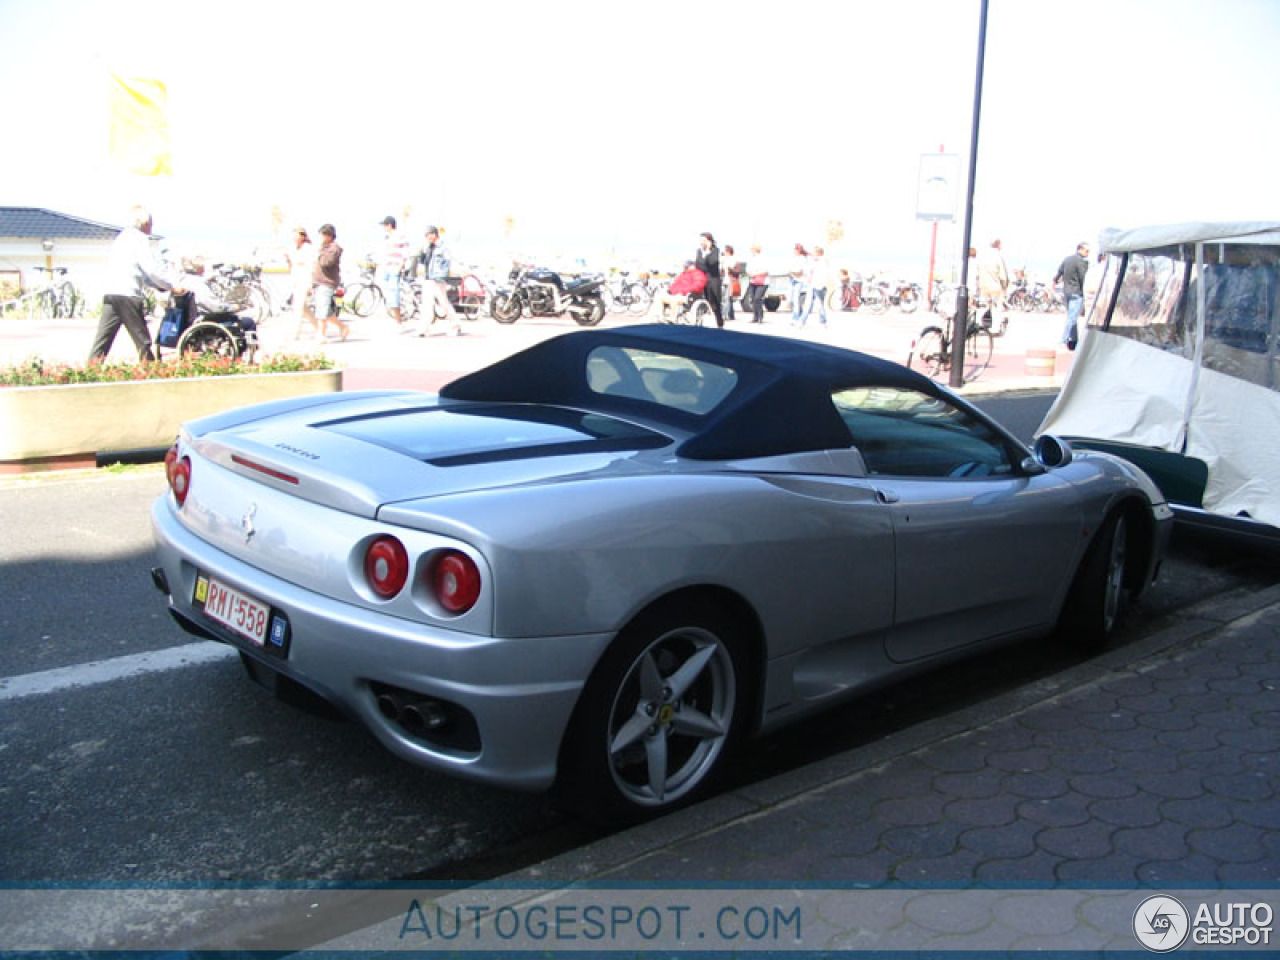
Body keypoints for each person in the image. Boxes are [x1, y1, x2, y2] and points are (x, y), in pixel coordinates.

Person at [88, 206, 174, 363]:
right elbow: (151, 269)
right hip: (128, 294)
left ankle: (91, 369)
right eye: (151, 223)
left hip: (111, 293)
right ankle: (152, 370)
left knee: (103, 339)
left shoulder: (121, 238)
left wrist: (157, 285)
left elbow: (138, 271)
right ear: (145, 223)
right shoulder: (140, 239)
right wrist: (170, 285)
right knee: (142, 339)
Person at [417, 225, 462, 336]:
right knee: (426, 304)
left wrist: (441, 275)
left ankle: (455, 325)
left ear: (434, 234)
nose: (427, 237)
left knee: (443, 303)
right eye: (426, 235)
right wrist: (421, 252)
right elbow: (423, 261)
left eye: (429, 235)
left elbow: (447, 262)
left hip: (438, 279)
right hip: (428, 278)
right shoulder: (428, 247)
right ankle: (424, 329)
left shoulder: (443, 247)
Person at [312, 223, 348, 341]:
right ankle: (342, 327)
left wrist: (320, 252)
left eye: (323, 235)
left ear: (328, 235)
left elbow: (326, 263)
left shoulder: (334, 248)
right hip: (319, 280)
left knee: (322, 309)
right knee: (324, 310)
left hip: (327, 281)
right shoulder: (325, 247)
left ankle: (321, 335)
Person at [1054, 241, 1091, 350]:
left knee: (1072, 317)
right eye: (1087, 251)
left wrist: (1055, 281)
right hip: (1076, 292)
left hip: (1066, 292)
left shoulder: (1067, 259)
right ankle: (1064, 340)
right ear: (1080, 249)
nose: (1088, 253)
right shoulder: (1081, 262)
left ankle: (1074, 341)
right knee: (1072, 318)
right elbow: (1083, 277)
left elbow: (1059, 272)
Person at [378, 215, 411, 324]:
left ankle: (399, 322)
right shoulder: (387, 237)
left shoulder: (399, 236)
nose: (384, 227)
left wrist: (400, 266)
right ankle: (395, 319)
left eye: (385, 225)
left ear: (389, 225)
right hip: (387, 268)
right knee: (389, 295)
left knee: (394, 294)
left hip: (394, 268)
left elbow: (405, 253)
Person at [288, 227, 318, 339]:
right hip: (296, 279)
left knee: (298, 307)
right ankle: (319, 328)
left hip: (305, 280)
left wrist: (310, 283)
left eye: (296, 235)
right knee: (303, 309)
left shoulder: (308, 249)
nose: (294, 238)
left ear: (302, 236)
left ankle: (295, 334)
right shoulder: (294, 249)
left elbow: (311, 267)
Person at [976, 238, 1010, 333]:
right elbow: (1003, 274)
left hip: (983, 286)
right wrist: (1005, 286)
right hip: (995, 286)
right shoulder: (998, 256)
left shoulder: (983, 255)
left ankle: (977, 325)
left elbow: (977, 271)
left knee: (985, 306)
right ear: (998, 245)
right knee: (996, 308)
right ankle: (994, 329)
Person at [797, 245, 830, 328]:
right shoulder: (816, 261)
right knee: (810, 304)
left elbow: (821, 275)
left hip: (819, 286)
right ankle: (803, 321)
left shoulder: (822, 262)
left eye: (814, 252)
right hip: (813, 285)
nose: (813, 254)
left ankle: (822, 322)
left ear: (818, 253)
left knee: (819, 305)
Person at [695, 232, 722, 327]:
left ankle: (719, 323)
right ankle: (704, 322)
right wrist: (703, 261)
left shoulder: (715, 251)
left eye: (704, 240)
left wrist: (707, 253)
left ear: (709, 241)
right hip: (702, 279)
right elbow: (698, 265)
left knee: (716, 302)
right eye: (701, 240)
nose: (702, 242)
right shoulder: (699, 251)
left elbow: (712, 263)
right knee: (705, 300)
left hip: (714, 279)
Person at [720, 244, 744, 323]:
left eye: (725, 251)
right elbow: (721, 271)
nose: (724, 253)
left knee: (727, 298)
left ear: (729, 251)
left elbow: (738, 271)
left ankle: (724, 315)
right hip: (724, 281)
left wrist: (730, 269)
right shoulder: (723, 260)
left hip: (731, 281)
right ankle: (731, 315)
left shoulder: (734, 260)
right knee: (725, 298)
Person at [745, 244, 769, 323]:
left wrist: (756, 274)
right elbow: (747, 269)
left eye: (752, 249)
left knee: (757, 298)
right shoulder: (751, 259)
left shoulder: (763, 258)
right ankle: (755, 317)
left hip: (762, 282)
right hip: (753, 281)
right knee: (753, 299)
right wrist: (749, 273)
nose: (751, 251)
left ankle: (760, 316)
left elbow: (766, 271)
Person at [788, 243, 809, 325]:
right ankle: (799, 315)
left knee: (795, 300)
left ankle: (795, 318)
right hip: (792, 279)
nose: (794, 251)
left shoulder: (803, 259)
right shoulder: (794, 258)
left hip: (799, 280)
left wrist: (793, 272)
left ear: (798, 250)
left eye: (795, 249)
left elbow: (801, 272)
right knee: (791, 299)